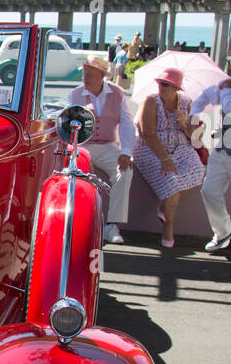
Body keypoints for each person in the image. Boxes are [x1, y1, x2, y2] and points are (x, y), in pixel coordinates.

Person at [133, 67, 204, 249]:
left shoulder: (187, 103)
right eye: (160, 83)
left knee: (198, 170)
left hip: (180, 148)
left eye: (166, 85)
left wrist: (183, 122)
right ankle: (168, 227)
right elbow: (147, 133)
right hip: (151, 149)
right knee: (171, 181)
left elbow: (194, 137)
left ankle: (164, 207)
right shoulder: (151, 101)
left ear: (176, 89)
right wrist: (165, 158)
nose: (161, 87)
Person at [69, 52, 134, 244]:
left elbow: (127, 123)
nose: (85, 77)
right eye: (84, 73)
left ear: (102, 75)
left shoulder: (117, 93)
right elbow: (63, 120)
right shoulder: (74, 94)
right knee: (75, 174)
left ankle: (112, 225)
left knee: (125, 172)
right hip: (82, 145)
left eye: (90, 73)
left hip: (107, 146)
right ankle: (78, 224)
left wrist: (126, 152)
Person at [189, 78, 231, 251]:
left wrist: (226, 91)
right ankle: (223, 233)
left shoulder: (226, 89)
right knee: (209, 190)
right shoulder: (225, 85)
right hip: (223, 150)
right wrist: (194, 113)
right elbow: (204, 96)